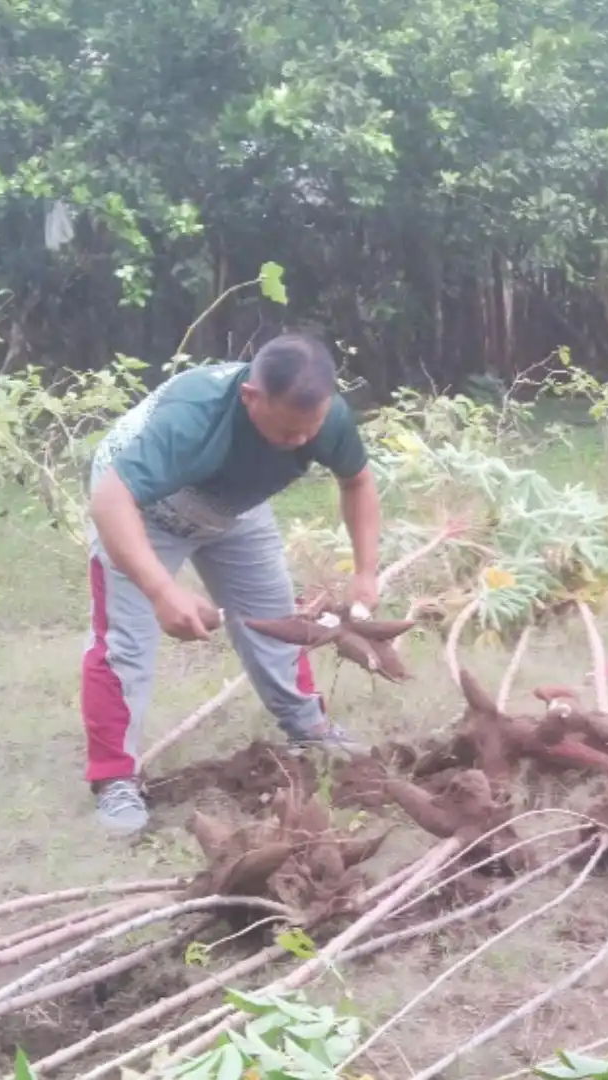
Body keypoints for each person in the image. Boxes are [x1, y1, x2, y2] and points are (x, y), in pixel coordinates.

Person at [83, 333, 382, 834]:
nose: (301, 442)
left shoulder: (325, 420)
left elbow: (358, 481)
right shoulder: (193, 416)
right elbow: (111, 501)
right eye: (287, 432)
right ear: (251, 397)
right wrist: (162, 590)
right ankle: (115, 779)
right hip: (143, 509)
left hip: (233, 510)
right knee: (125, 644)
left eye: (310, 431)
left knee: (277, 623)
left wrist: (366, 572)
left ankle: (309, 728)